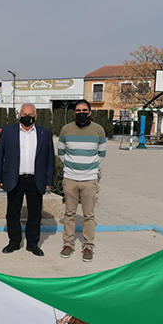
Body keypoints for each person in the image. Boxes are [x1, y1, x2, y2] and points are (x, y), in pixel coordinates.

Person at [0, 103, 55, 257]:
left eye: (30, 114)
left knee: (35, 213)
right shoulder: (8, 131)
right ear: (19, 115)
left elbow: (50, 159)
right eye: (23, 114)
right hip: (15, 178)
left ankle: (32, 244)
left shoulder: (44, 133)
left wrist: (49, 180)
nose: (27, 117)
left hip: (36, 179)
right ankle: (14, 241)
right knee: (12, 212)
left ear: (36, 116)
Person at [58, 99, 107, 262]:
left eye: (84, 111)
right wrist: (72, 167)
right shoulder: (66, 129)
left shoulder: (99, 130)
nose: (81, 113)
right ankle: (68, 244)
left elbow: (101, 154)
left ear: (90, 112)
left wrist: (89, 168)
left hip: (89, 180)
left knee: (88, 215)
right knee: (69, 213)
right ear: (74, 113)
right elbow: (61, 153)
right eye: (78, 111)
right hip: (70, 178)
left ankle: (88, 246)